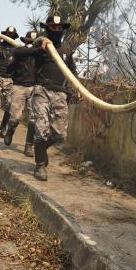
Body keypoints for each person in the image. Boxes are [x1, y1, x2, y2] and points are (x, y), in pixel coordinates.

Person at [30, 16, 77, 181]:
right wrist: (39, 47)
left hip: (60, 93)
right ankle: (40, 165)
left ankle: (41, 151)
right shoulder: (41, 45)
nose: (56, 31)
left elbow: (72, 72)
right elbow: (23, 53)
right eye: (53, 27)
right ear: (48, 28)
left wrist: (74, 90)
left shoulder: (66, 49)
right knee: (41, 131)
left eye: (59, 28)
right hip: (42, 90)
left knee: (60, 134)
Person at [4, 30, 40, 157]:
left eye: (33, 43)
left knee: (33, 119)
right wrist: (16, 60)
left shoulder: (38, 54)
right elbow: (8, 68)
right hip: (19, 87)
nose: (30, 45)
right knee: (16, 117)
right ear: (25, 41)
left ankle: (28, 146)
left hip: (34, 88)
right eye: (29, 42)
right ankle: (10, 130)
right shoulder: (18, 52)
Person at [0, 26, 19, 139]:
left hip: (9, 79)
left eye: (11, 35)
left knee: (10, 105)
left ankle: (3, 127)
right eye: (7, 35)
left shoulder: (17, 50)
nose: (9, 37)